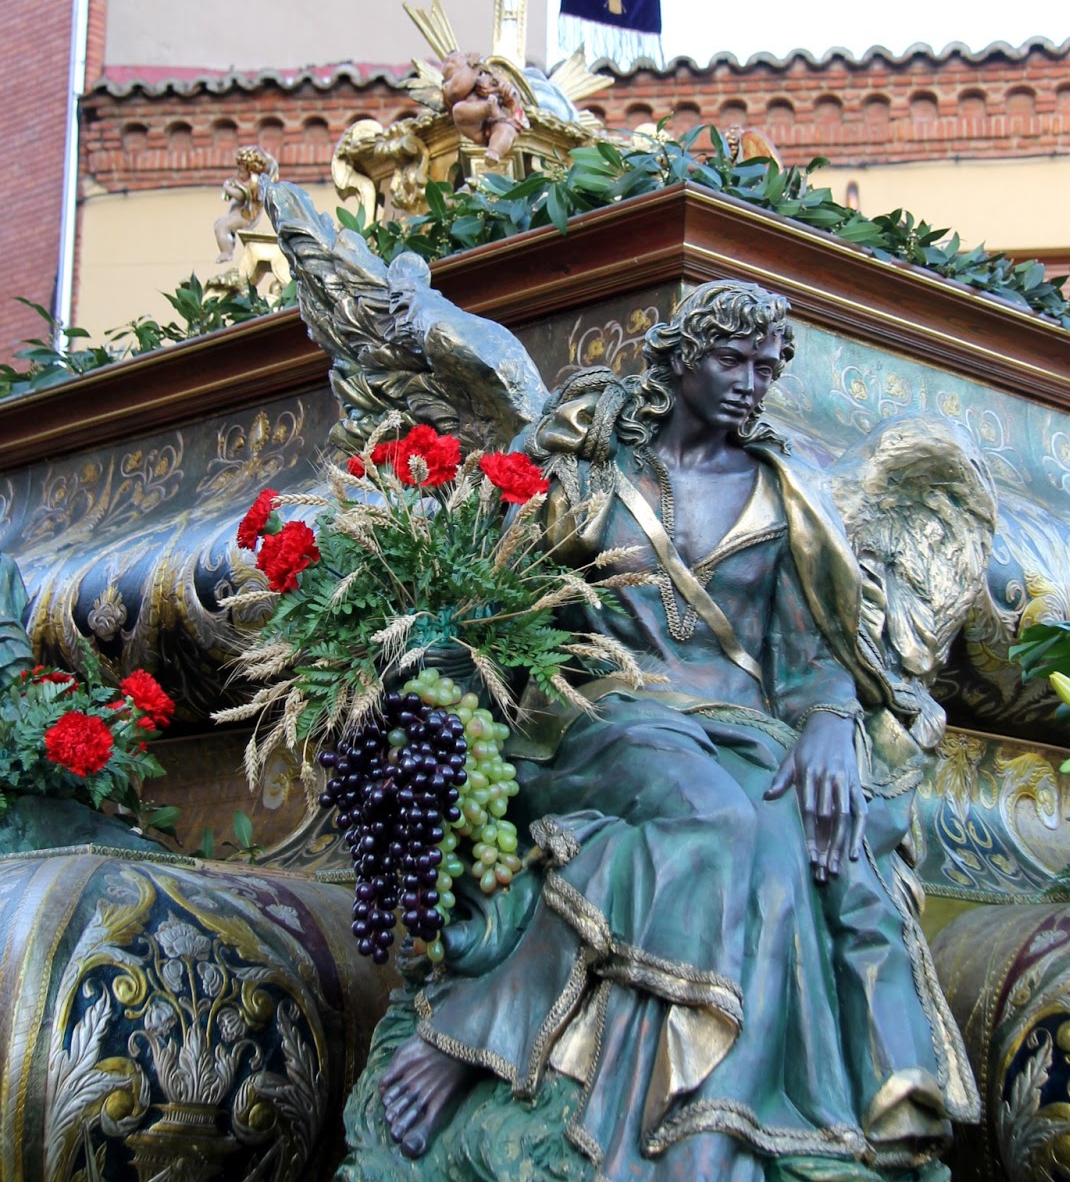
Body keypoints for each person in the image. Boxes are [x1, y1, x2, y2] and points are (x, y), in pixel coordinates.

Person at [352, 281, 977, 1182]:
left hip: (744, 730)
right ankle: (472, 1032)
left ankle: (722, 1136)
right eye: (730, 361)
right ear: (680, 359)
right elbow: (496, 603)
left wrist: (833, 721)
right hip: (608, 719)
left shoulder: (782, 494)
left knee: (797, 835)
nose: (749, 383)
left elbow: (811, 653)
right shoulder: (592, 474)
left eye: (766, 368)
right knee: (723, 822)